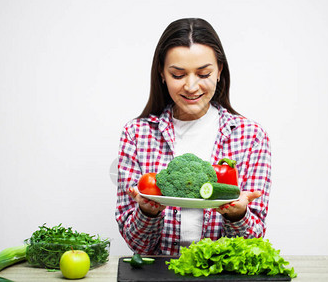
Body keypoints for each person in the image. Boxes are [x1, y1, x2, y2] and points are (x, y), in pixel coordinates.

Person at [115, 18, 271, 255]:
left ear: (219, 70)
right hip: (159, 275)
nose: (191, 86)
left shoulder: (251, 137)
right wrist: (148, 212)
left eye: (203, 73)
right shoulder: (136, 135)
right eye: (178, 75)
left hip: (222, 276)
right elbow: (138, 245)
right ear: (161, 73)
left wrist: (239, 215)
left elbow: (252, 243)